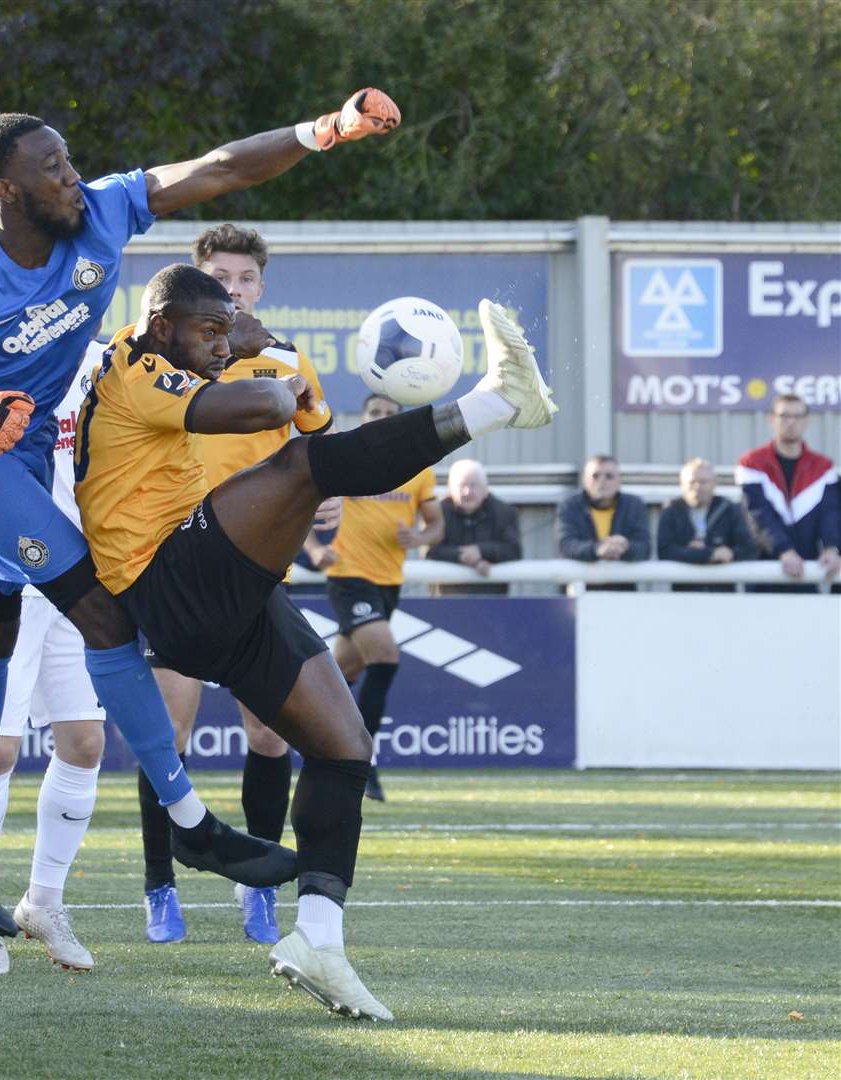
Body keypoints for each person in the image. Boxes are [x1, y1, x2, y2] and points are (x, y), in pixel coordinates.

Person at [0, 94, 404, 934]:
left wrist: (322, 130)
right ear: (4, 190)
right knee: (101, 617)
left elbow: (217, 166)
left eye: (69, 161)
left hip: (29, 451)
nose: (73, 179)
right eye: (52, 171)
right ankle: (188, 824)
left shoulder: (96, 214)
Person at [74, 264, 554, 1020]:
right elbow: (269, 406)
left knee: (343, 747)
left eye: (227, 325)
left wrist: (269, 369)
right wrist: (264, 360)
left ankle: (318, 940)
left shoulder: (190, 354)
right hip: (166, 578)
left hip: (227, 580)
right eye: (210, 329)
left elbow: (320, 434)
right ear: (161, 325)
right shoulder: (134, 364)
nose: (221, 341)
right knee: (300, 469)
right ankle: (497, 403)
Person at [139, 223, 336, 947]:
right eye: (218, 277)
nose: (232, 288)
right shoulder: (162, 354)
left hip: (256, 571)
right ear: (195, 283)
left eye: (244, 279)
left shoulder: (284, 357)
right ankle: (159, 886)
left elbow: (314, 441)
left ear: (260, 287)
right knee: (168, 736)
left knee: (268, 733)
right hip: (177, 569)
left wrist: (327, 491)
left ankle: (257, 894)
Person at [0, 375, 106, 976]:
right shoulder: (9, 356)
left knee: (85, 742)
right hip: (12, 576)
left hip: (82, 576)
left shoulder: (110, 363)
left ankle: (43, 903)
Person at [306, 395, 442, 803]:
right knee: (384, 656)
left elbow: (436, 525)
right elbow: (300, 502)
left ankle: (318, 745)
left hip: (388, 583)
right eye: (375, 413)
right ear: (363, 418)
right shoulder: (346, 459)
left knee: (337, 676)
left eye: (389, 415)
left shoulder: (416, 469)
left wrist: (418, 538)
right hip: (349, 577)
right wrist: (313, 549)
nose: (382, 419)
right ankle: (360, 761)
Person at [736, 394, 840, 591]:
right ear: (771, 419)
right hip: (764, 573)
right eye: (784, 416)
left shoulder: (822, 468)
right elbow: (759, 514)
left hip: (806, 575)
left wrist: (832, 548)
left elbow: (830, 513)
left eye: (798, 416)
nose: (791, 422)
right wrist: (784, 551)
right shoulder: (752, 464)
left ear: (806, 421)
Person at [657, 458, 758, 592]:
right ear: (682, 484)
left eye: (703, 482)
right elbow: (665, 551)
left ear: (714, 484)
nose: (697, 487)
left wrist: (730, 553)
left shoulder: (729, 509)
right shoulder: (671, 511)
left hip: (721, 594)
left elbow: (749, 548)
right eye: (692, 482)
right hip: (684, 595)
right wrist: (709, 554)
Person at [426, 459, 520, 596]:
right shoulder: (438, 513)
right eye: (462, 485)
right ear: (451, 489)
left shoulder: (504, 512)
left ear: (485, 488)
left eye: (473, 485)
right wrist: (467, 557)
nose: (467, 492)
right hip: (446, 601)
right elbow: (430, 552)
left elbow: (514, 551)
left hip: (493, 601)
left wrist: (481, 550)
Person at [556, 455, 650, 589]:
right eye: (595, 476)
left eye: (609, 476)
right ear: (584, 480)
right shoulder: (570, 506)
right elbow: (566, 545)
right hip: (579, 593)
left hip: (622, 593)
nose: (602, 481)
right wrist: (597, 549)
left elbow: (644, 548)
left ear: (619, 480)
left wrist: (625, 546)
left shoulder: (634, 505)